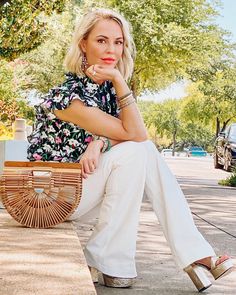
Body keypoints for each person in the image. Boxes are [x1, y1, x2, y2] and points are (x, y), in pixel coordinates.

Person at [27, 8, 233, 292]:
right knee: (140, 150)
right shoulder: (68, 96)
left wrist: (99, 142)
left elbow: (132, 136)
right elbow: (136, 135)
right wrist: (121, 83)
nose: (111, 49)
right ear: (83, 44)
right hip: (52, 197)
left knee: (138, 155)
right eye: (101, 40)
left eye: (118, 42)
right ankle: (192, 254)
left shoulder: (109, 93)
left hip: (84, 190)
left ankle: (112, 263)